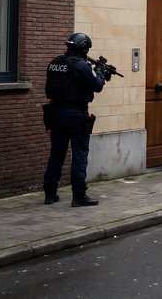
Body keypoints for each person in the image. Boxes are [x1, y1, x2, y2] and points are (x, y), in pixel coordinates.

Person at [42, 33, 107, 207]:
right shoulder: (81, 66)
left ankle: (50, 193)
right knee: (79, 155)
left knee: (57, 153)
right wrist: (100, 71)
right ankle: (79, 195)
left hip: (55, 114)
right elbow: (97, 86)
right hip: (76, 115)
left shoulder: (55, 63)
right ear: (84, 48)